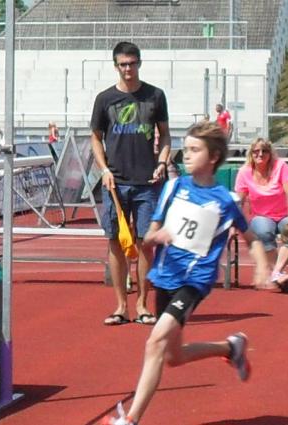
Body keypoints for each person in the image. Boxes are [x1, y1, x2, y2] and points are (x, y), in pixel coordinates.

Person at [100, 121, 267, 425]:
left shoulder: (224, 201)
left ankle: (130, 422)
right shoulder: (173, 188)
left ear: (213, 157)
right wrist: (156, 236)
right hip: (165, 277)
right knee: (173, 356)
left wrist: (261, 266)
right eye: (185, 149)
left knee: (155, 342)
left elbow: (251, 238)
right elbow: (149, 236)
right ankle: (230, 348)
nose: (186, 155)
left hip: (194, 282)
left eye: (194, 150)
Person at [91, 41, 171, 327]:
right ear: (116, 66)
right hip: (115, 182)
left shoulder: (155, 96)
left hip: (147, 182)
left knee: (145, 243)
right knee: (115, 241)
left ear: (139, 63)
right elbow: (96, 137)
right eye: (123, 64)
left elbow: (165, 135)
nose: (128, 69)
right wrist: (103, 170)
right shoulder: (105, 99)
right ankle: (121, 306)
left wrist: (162, 163)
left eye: (132, 63)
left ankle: (143, 305)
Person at [233, 137, 288, 286]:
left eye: (264, 151)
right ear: (251, 153)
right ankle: (277, 273)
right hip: (261, 216)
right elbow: (238, 201)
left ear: (270, 153)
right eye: (256, 151)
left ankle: (277, 272)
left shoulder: (280, 166)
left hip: (284, 214)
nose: (260, 154)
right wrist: (233, 225)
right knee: (264, 232)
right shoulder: (244, 172)